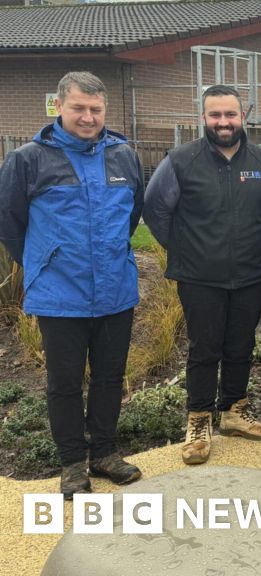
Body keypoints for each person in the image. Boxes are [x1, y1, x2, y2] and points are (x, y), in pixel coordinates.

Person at [0, 71, 143, 498]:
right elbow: (10, 223)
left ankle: (105, 453)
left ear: (105, 109)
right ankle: (73, 464)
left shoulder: (124, 156)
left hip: (116, 291)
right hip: (60, 295)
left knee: (109, 378)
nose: (87, 117)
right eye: (78, 108)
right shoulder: (28, 160)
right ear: (59, 106)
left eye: (95, 109)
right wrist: (43, 261)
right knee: (64, 384)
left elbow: (132, 215)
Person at [144, 84, 261, 465]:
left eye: (230, 114)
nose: (224, 122)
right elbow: (155, 210)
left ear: (243, 117)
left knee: (241, 345)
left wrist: (258, 243)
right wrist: (185, 248)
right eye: (215, 115)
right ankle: (198, 421)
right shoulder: (180, 161)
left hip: (250, 274)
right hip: (199, 278)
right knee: (204, 349)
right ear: (204, 118)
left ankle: (234, 411)